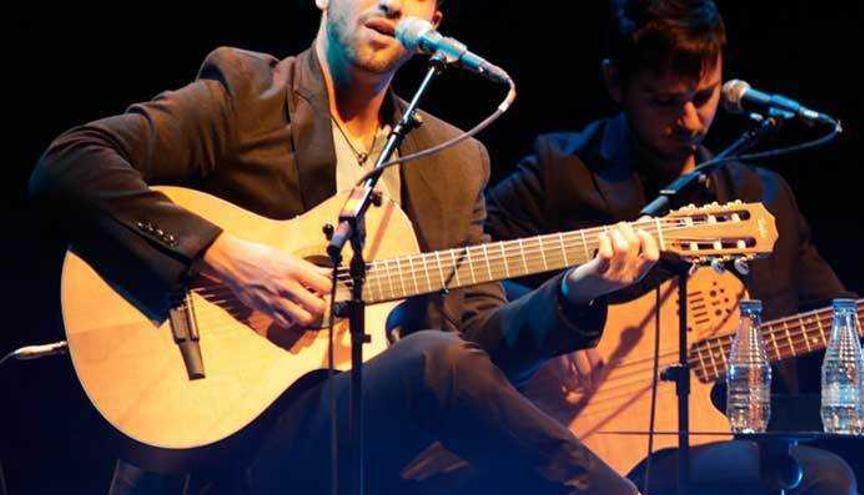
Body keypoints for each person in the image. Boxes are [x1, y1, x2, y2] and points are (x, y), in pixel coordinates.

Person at [29, 0, 662, 493]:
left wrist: (577, 293)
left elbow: (479, 344)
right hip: (228, 440)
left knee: (442, 361)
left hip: (376, 439)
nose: (389, 4)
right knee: (432, 360)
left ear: (433, 23)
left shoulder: (456, 161)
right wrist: (221, 256)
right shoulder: (245, 93)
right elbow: (68, 165)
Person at [485, 0, 858, 494]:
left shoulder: (763, 197)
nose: (688, 119)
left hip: (729, 438)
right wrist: (548, 320)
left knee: (824, 477)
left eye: (703, 96)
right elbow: (468, 268)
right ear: (616, 82)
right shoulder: (560, 172)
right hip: (575, 439)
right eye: (663, 101)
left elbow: (839, 313)